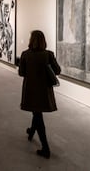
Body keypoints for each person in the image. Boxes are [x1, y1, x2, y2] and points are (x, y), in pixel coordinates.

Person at [18, 30, 61, 159]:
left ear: (31, 40)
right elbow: (58, 70)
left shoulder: (25, 54)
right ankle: (31, 131)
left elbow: (21, 73)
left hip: (31, 90)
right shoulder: (48, 54)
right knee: (37, 113)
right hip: (44, 91)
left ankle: (46, 148)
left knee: (37, 114)